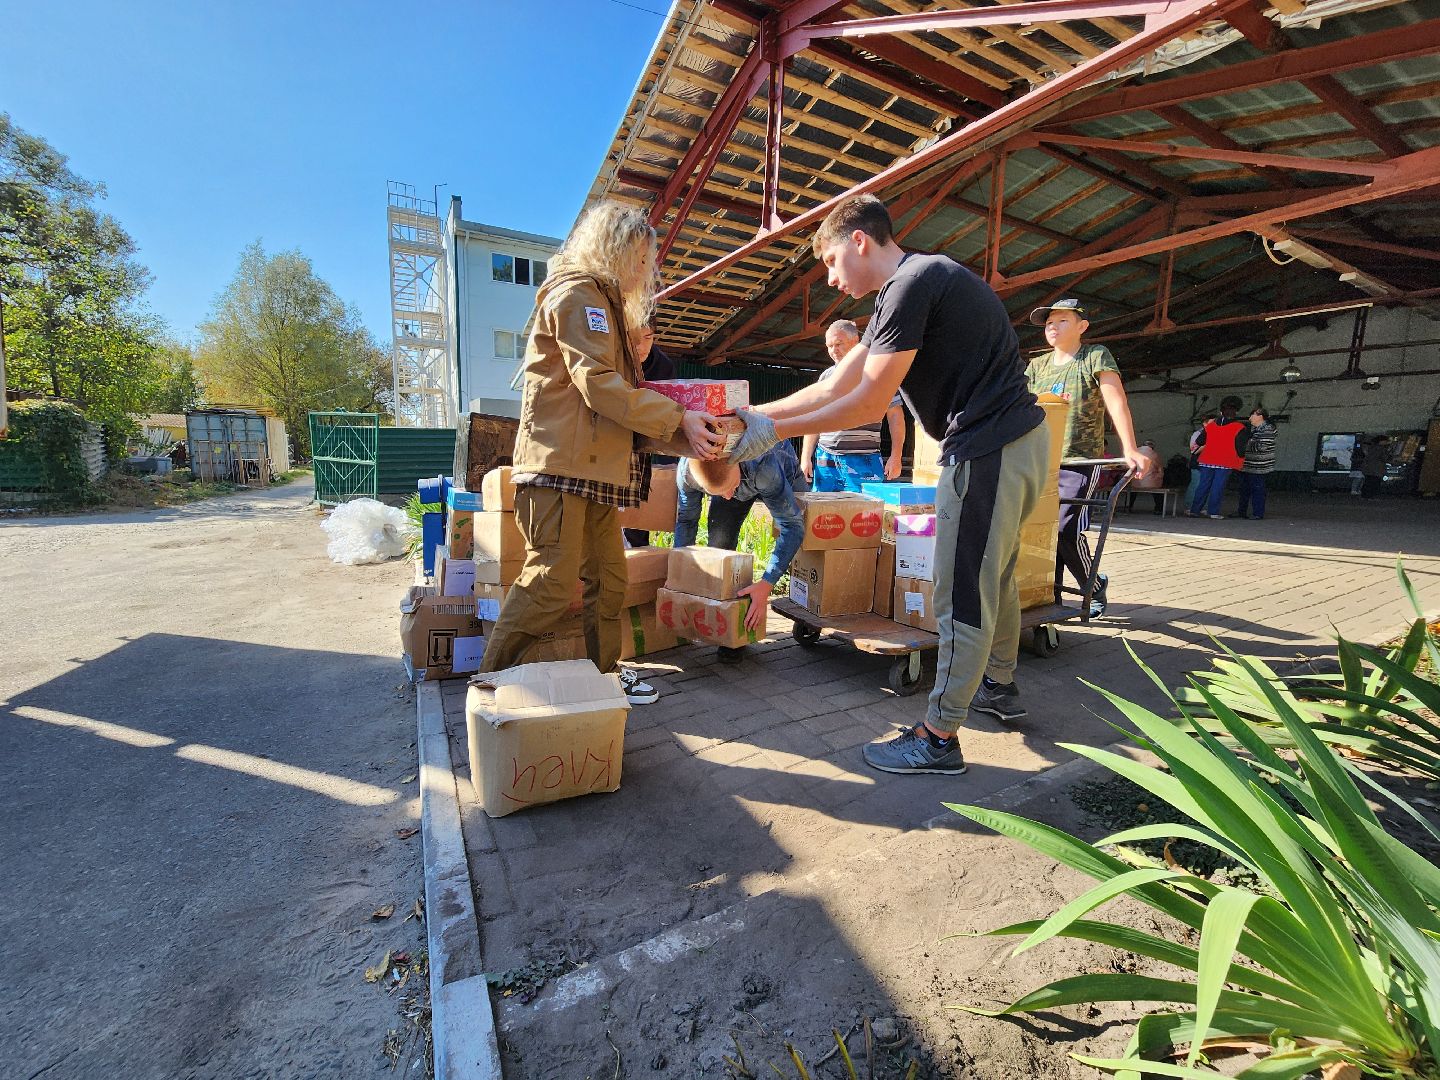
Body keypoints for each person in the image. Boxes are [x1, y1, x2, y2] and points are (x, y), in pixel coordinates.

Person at [728, 193, 1049, 778]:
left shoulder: (910, 285)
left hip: (989, 447)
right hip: (1016, 444)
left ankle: (938, 738)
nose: (830, 279)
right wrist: (752, 416)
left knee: (963, 588)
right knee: (994, 576)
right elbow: (833, 387)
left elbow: (868, 403)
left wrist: (771, 431)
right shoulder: (908, 289)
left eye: (830, 261)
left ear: (859, 240)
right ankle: (997, 686)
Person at [477, 203, 725, 704]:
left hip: (591, 472)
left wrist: (682, 427)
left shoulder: (606, 307)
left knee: (609, 582)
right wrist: (678, 418)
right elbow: (598, 385)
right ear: (612, 249)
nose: (646, 272)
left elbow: (614, 398)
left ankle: (604, 676)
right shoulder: (578, 296)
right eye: (640, 259)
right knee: (550, 582)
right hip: (557, 469)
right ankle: (488, 683)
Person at [1025, 298, 1150, 619]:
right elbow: (1021, 408)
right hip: (1040, 460)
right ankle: (1045, 594)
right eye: (1049, 323)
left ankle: (1092, 585)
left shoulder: (1094, 356)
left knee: (1065, 529)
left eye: (1062, 321)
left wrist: (1130, 447)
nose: (1053, 327)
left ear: (1082, 326)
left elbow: (1115, 400)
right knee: (1037, 531)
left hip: (1080, 460)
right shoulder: (1036, 366)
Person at [674, 445, 808, 661]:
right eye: (717, 492)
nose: (728, 497)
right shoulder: (687, 473)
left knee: (807, 540)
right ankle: (731, 629)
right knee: (720, 547)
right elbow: (686, 521)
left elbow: (792, 526)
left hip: (779, 470)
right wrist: (680, 578)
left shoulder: (764, 465)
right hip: (732, 475)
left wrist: (766, 584)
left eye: (730, 488)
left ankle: (809, 609)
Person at [801, 319, 906, 491]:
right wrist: (805, 457)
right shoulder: (826, 376)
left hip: (864, 460)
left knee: (865, 508)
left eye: (838, 344)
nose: (834, 350)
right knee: (822, 508)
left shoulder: (878, 373)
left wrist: (896, 456)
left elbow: (895, 415)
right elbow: (814, 417)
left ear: (856, 341)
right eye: (829, 346)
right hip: (825, 460)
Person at [622, 321, 678, 548]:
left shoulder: (663, 366)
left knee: (637, 514)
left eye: (648, 337)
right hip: (607, 442)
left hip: (642, 446)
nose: (641, 346)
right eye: (634, 339)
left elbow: (668, 413)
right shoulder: (611, 358)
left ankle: (638, 557)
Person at [1188, 396, 1250, 519]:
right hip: (1225, 461)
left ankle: (1195, 510)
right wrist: (1241, 460)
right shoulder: (1239, 427)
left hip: (1206, 460)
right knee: (1218, 487)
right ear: (1236, 411)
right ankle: (1213, 512)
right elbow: (1240, 447)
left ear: (1221, 411)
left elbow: (1200, 441)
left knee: (1203, 485)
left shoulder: (1210, 426)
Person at [1236, 406, 1277, 520]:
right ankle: (1241, 511)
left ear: (1260, 416)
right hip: (1248, 465)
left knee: (1258, 490)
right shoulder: (1253, 429)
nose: (1250, 418)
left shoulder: (1268, 429)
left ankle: (1258, 513)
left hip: (1259, 467)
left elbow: (1261, 447)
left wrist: (1246, 442)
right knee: (1244, 490)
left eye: (1252, 415)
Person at [1125, 439, 1166, 514]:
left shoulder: (1135, 452)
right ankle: (1159, 509)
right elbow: (1159, 468)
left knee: (1133, 491)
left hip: (1136, 481)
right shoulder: (1154, 454)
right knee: (1158, 492)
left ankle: (1129, 506)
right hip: (1150, 482)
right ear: (1152, 447)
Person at [1360, 434, 1390, 499]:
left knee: (1368, 482)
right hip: (1376, 468)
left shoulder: (1371, 447)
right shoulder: (1381, 449)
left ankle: (1365, 495)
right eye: (1386, 441)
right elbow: (1384, 458)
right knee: (1375, 482)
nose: (1386, 442)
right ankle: (1371, 496)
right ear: (1381, 441)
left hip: (1369, 468)